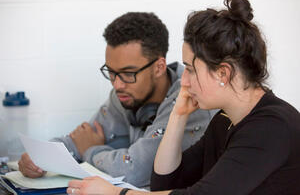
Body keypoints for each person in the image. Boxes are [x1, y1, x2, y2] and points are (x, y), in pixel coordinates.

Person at [66, 0, 300, 194]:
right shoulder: (224, 120)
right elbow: (165, 183)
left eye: (190, 69)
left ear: (223, 73)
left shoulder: (271, 126)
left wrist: (117, 193)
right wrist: (178, 115)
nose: (184, 81)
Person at [18, 12, 214, 187]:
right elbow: (81, 138)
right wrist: (40, 157)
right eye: (111, 73)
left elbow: (135, 171)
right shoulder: (124, 94)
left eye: (128, 73)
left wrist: (91, 150)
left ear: (159, 67)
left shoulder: (190, 99)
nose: (117, 84)